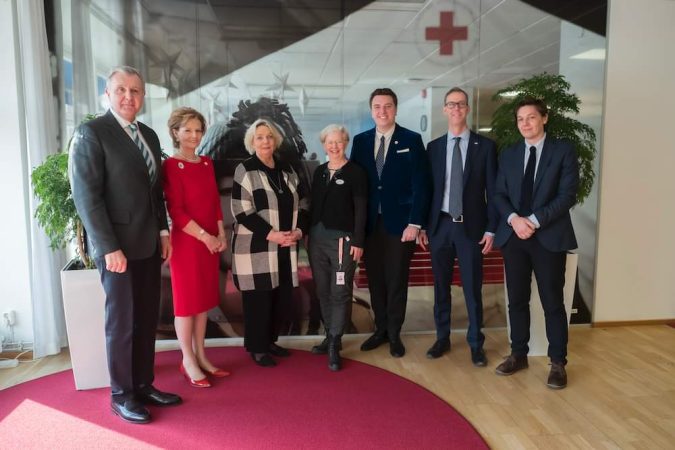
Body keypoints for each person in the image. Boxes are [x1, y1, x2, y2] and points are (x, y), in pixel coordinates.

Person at [69, 66, 181, 424]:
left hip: (148, 243)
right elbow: (87, 197)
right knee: (122, 322)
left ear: (143, 96)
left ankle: (143, 385)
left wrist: (163, 232)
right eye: (121, 90)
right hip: (116, 248)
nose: (129, 97)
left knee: (146, 319)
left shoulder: (148, 134)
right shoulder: (91, 133)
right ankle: (121, 395)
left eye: (135, 91)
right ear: (108, 94)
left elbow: (155, 192)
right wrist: (108, 247)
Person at [493, 97, 578, 389]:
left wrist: (533, 220)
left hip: (548, 237)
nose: (525, 123)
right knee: (516, 300)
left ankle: (558, 363)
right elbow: (498, 194)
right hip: (514, 237)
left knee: (552, 302)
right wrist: (515, 220)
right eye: (520, 119)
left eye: (530, 117)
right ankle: (518, 354)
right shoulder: (509, 154)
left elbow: (567, 195)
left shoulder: (563, 150)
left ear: (544, 118)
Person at [419, 87, 497, 366]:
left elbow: (494, 192)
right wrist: (423, 226)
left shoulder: (485, 147)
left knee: (472, 289)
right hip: (440, 227)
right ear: (444, 109)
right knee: (441, 288)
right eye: (451, 104)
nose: (456, 109)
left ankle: (476, 344)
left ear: (467, 109)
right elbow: (427, 191)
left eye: (461, 104)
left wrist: (491, 229)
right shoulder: (434, 148)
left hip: (471, 230)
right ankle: (442, 338)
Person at [350, 88, 431, 358]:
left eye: (387, 106)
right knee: (375, 280)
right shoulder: (360, 141)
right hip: (370, 225)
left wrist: (415, 223)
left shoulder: (411, 139)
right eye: (377, 106)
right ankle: (380, 329)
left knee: (396, 280)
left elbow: (421, 185)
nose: (382, 111)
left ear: (395, 109)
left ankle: (395, 333)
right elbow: (357, 184)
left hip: (401, 225)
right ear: (371, 110)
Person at [230, 119, 309, 367]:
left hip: (285, 245)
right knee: (258, 299)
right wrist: (271, 234)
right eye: (260, 137)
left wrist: (298, 231)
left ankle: (271, 341)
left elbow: (303, 203)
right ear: (252, 142)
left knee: (279, 297)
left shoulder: (287, 170)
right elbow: (241, 210)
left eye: (269, 136)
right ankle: (257, 347)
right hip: (256, 247)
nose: (265, 141)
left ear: (276, 140)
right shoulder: (245, 169)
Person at [163, 107, 230, 388]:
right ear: (175, 133)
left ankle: (201, 355)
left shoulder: (206, 163)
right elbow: (176, 212)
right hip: (188, 243)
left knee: (202, 302)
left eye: (198, 130)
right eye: (187, 130)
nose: (194, 135)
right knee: (186, 305)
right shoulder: (171, 165)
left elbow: (214, 202)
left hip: (210, 242)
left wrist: (221, 233)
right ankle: (187, 359)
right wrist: (206, 237)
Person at [308, 125, 367, 371]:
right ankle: (329, 334)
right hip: (317, 241)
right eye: (329, 142)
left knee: (340, 291)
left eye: (339, 141)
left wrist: (359, 241)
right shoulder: (320, 171)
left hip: (343, 242)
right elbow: (312, 205)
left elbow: (361, 210)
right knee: (323, 291)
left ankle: (335, 341)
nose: (334, 146)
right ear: (324, 145)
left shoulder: (356, 173)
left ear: (346, 143)